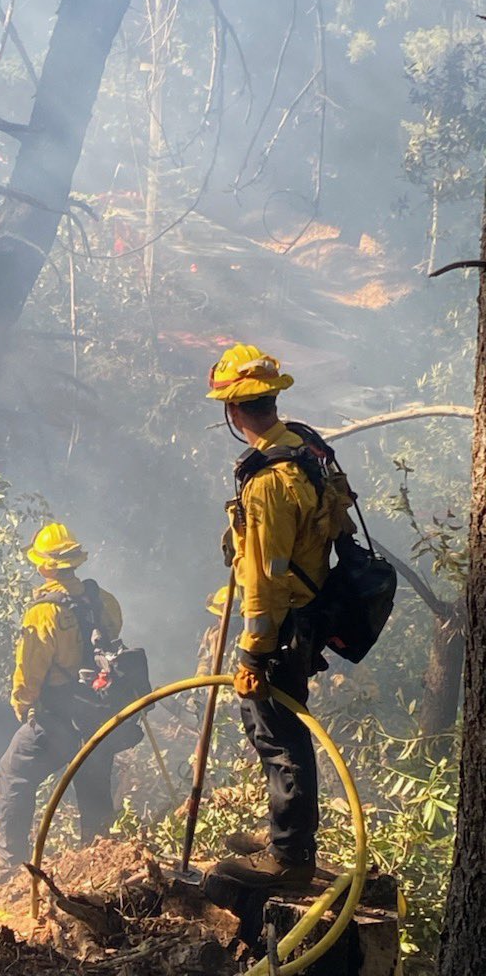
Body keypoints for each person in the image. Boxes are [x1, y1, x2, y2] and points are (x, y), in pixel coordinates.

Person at [205, 343, 352, 889]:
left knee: (277, 735)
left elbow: (265, 583)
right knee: (285, 732)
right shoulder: (306, 445)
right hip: (312, 606)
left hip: (284, 624)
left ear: (234, 410)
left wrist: (252, 652)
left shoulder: (268, 481)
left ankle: (290, 858)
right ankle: (284, 836)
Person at [0, 523, 123, 870]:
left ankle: (9, 854)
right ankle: (100, 857)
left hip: (59, 713)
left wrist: (23, 704)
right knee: (92, 775)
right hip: (101, 708)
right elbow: (114, 632)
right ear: (75, 561)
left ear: (43, 565)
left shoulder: (43, 611)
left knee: (14, 768)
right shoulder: (101, 599)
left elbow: (29, 671)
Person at [195, 584, 230, 677]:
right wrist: (201, 676)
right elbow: (204, 660)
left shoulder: (246, 639)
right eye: (218, 616)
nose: (219, 620)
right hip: (214, 689)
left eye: (221, 617)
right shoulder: (211, 633)